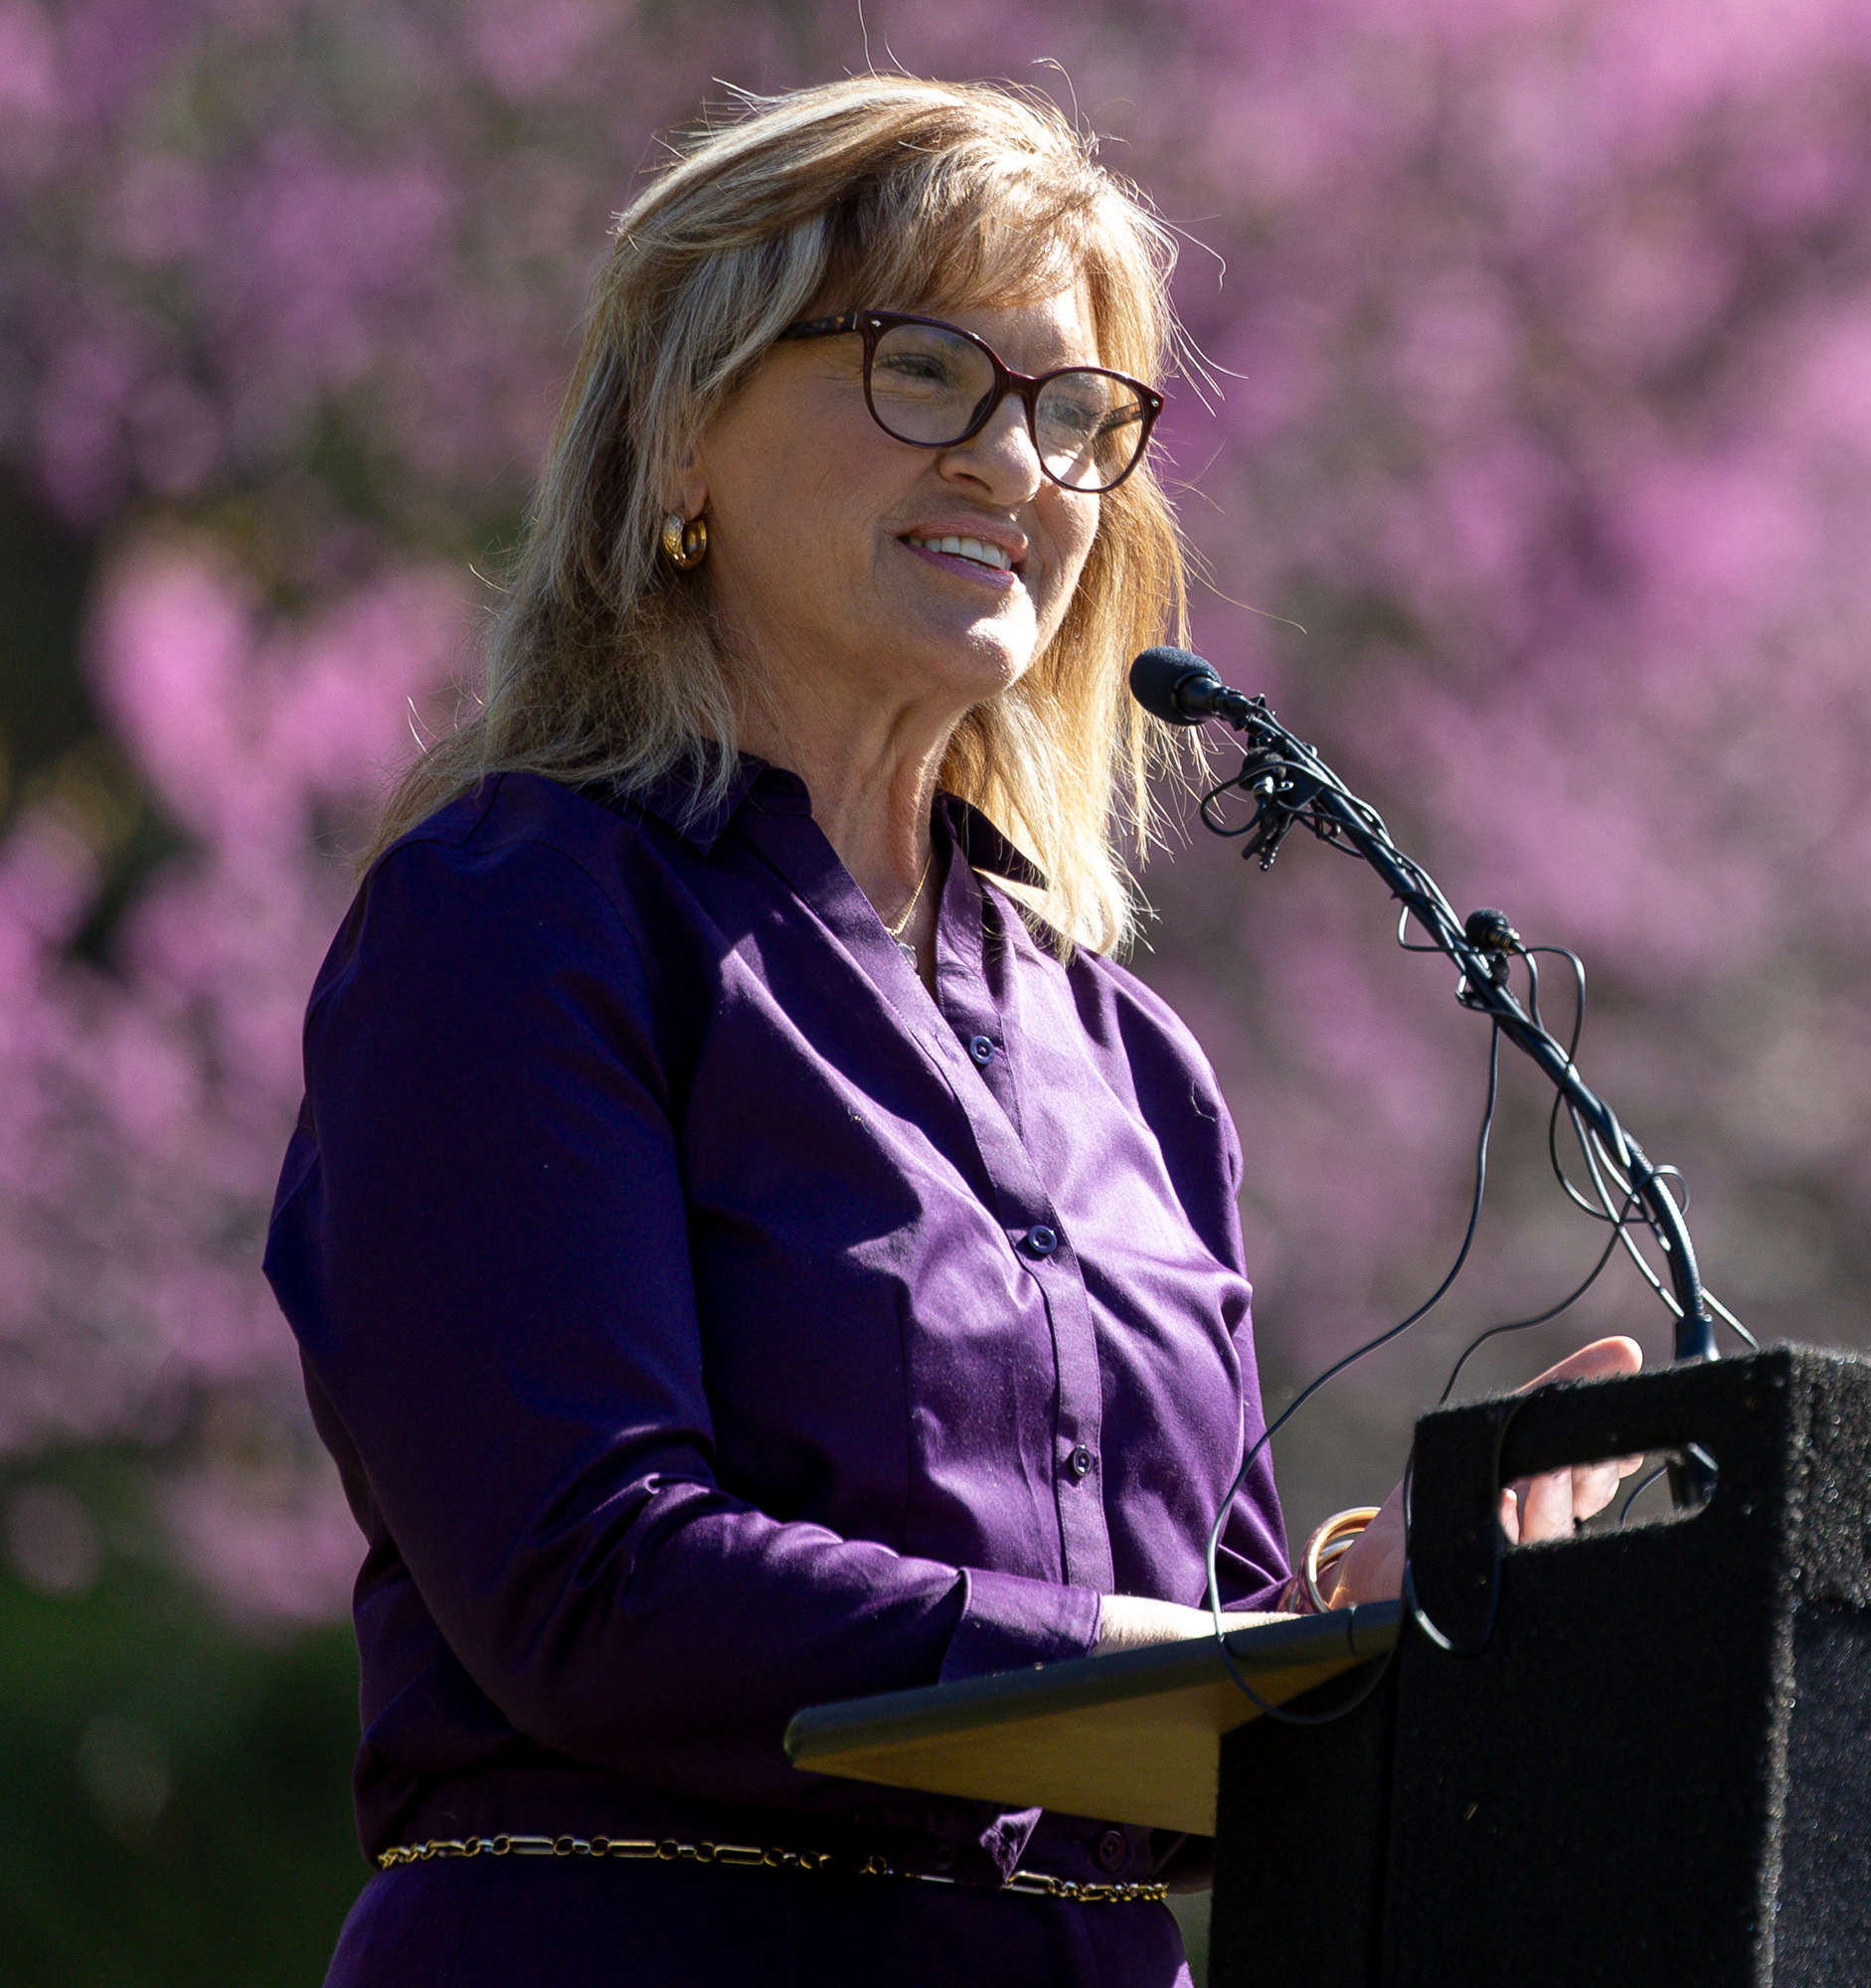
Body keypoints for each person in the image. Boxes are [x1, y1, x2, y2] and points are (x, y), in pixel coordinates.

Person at [262, 77, 1637, 1988]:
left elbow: (1210, 1684)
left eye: (1077, 416)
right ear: (685, 440)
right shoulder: (518, 918)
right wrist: (1131, 1662)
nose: (1017, 464)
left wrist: (1377, 1614)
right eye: (927, 373)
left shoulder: (1132, 1064)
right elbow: (589, 1579)